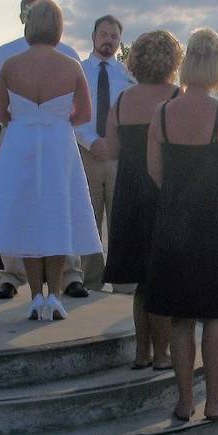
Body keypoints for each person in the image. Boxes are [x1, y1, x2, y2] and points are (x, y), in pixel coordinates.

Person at [145, 28, 218, 421]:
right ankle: (214, 400)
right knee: (215, 314)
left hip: (173, 221)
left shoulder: (162, 113)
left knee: (180, 316)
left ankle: (184, 400)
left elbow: (155, 171)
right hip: (216, 224)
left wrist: (180, 201)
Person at [0, 0, 101, 321]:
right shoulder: (71, 65)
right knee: (58, 214)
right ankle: (56, 296)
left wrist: (27, 119)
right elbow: (85, 113)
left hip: (21, 142)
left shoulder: (11, 65)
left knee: (28, 216)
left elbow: (0, 112)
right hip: (59, 142)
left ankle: (34, 296)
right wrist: (57, 119)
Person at [102, 30, 182, 369]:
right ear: (173, 61)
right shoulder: (178, 97)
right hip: (165, 192)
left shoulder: (121, 101)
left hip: (130, 192)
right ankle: (163, 353)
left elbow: (111, 150)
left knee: (140, 282)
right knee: (162, 278)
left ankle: (141, 352)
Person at [74, 15, 135, 292]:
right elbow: (70, 114)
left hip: (118, 157)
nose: (108, 40)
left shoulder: (127, 76)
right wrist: (90, 142)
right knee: (89, 221)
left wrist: (115, 144)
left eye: (114, 36)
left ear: (119, 42)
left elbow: (132, 118)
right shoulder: (79, 71)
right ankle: (91, 282)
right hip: (85, 154)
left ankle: (123, 285)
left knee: (121, 222)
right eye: (104, 34)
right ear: (94, 36)